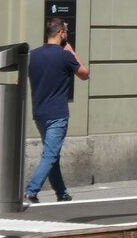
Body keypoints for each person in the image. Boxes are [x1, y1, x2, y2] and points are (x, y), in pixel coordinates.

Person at [24, 18, 89, 204]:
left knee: (53, 154)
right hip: (57, 114)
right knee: (50, 154)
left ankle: (62, 192)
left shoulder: (33, 55)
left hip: (39, 113)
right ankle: (32, 190)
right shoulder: (64, 55)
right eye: (66, 33)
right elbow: (85, 74)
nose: (66, 36)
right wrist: (71, 51)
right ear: (61, 33)